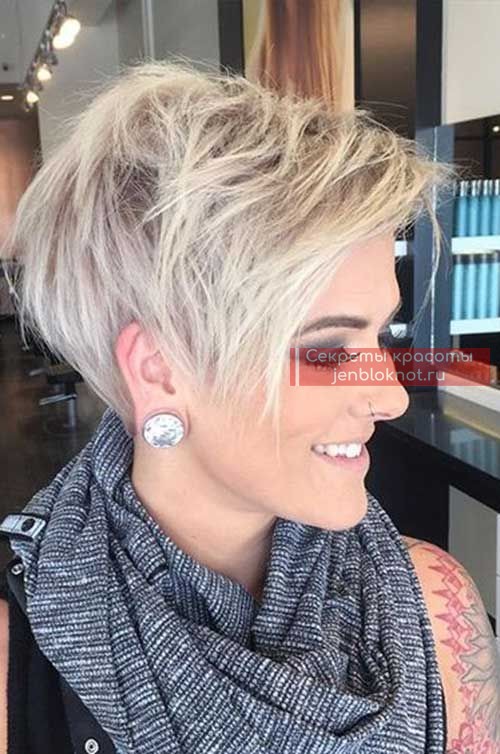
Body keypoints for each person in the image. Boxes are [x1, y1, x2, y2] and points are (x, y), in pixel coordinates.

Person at [0, 59, 498, 754]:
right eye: (326, 350)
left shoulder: (437, 608)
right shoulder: (15, 659)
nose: (389, 395)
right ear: (160, 370)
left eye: (380, 334)